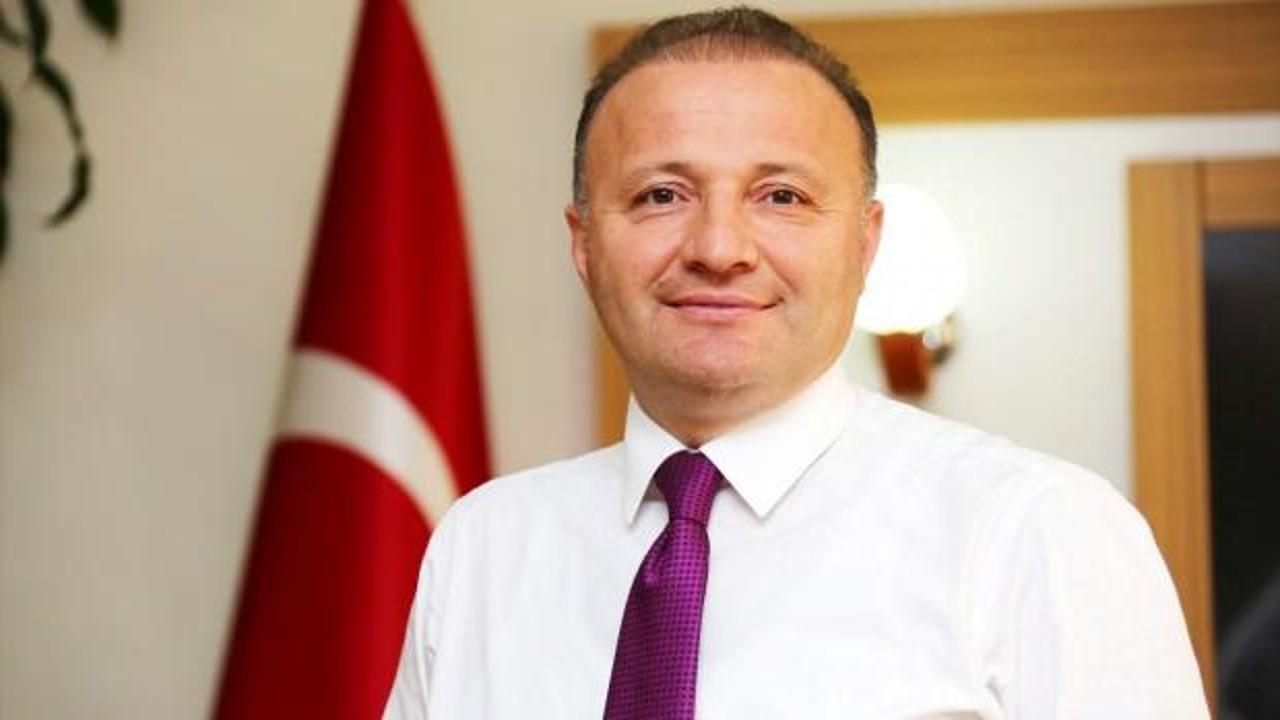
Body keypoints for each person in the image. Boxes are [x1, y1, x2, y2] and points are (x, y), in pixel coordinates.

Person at [385, 7, 1208, 718]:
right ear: (584, 243)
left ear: (865, 244)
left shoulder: (1037, 532)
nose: (718, 249)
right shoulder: (483, 547)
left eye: (782, 196)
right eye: (661, 195)